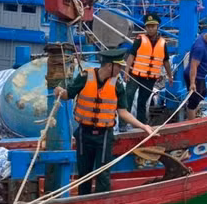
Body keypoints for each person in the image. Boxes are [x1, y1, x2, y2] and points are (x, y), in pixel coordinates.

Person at [54, 48, 153, 195]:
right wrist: (59, 92)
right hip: (84, 133)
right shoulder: (84, 77)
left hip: (104, 135)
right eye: (119, 66)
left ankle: (102, 203)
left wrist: (143, 126)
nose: (121, 69)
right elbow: (68, 95)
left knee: (103, 173)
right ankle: (83, 203)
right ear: (109, 66)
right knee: (84, 173)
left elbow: (123, 112)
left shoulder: (117, 85)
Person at [124, 13, 174, 124]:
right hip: (135, 75)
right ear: (145, 27)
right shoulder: (139, 40)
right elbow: (131, 56)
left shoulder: (162, 43)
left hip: (150, 78)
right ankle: (123, 123)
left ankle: (140, 123)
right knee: (128, 97)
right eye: (148, 26)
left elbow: (165, 61)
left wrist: (170, 76)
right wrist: (126, 71)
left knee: (142, 101)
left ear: (157, 27)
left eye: (153, 26)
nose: (150, 29)